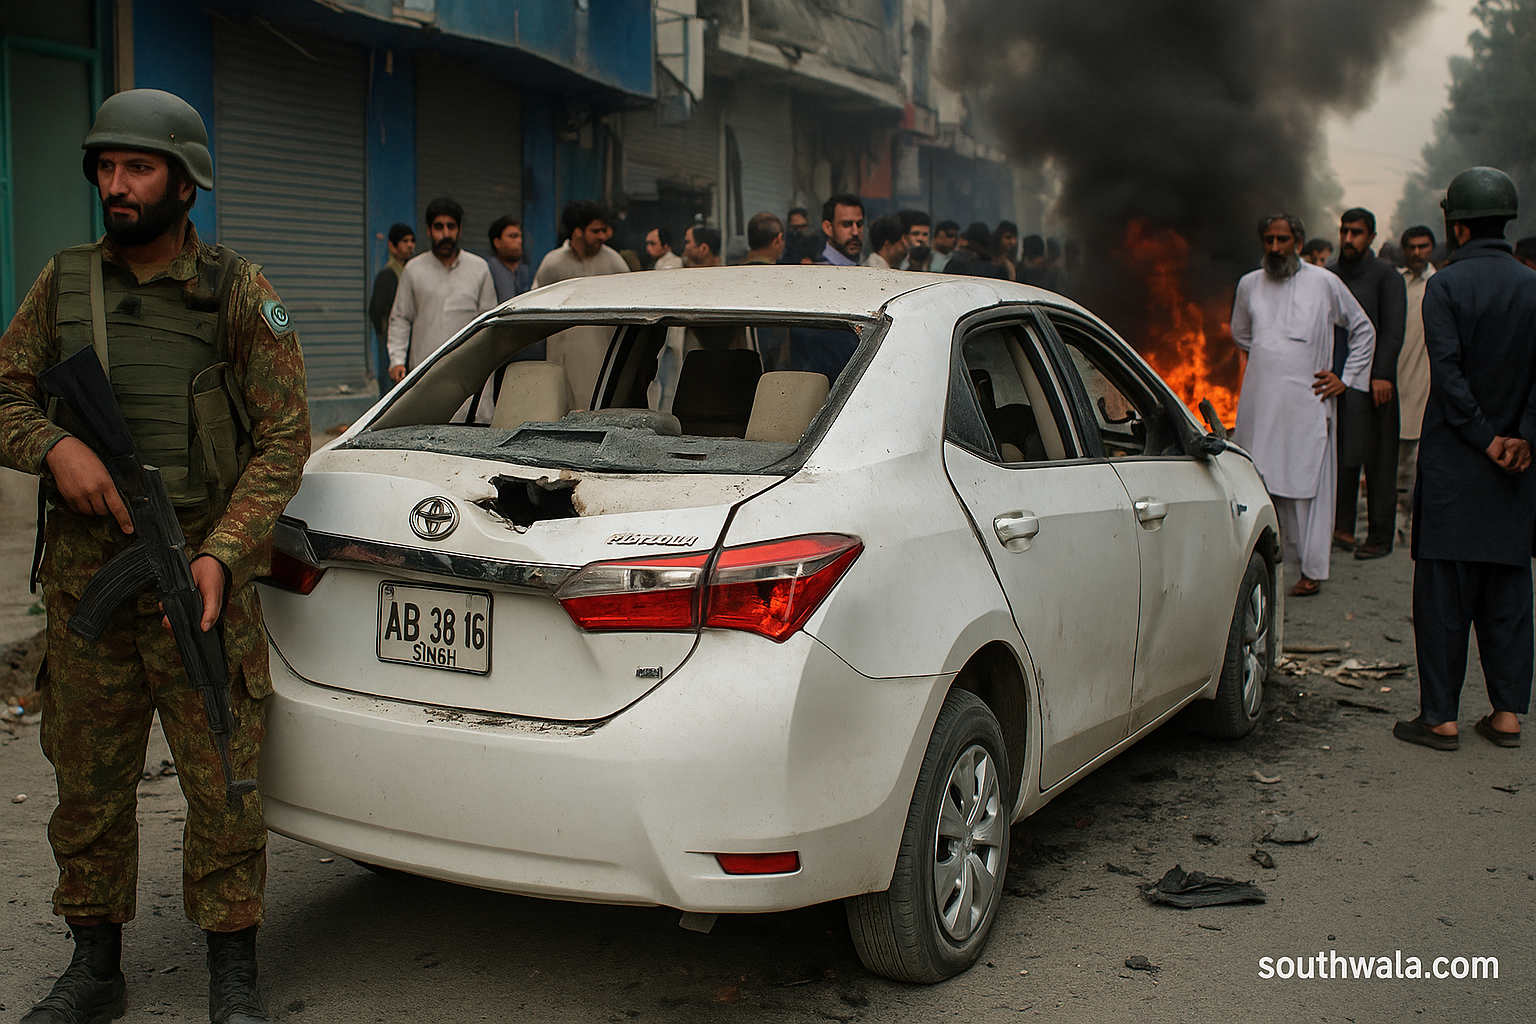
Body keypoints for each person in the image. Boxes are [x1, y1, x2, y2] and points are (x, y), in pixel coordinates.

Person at [0, 88, 310, 1024]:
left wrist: (222, 551)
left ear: (185, 181)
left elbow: (285, 440)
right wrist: (56, 447)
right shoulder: (63, 283)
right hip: (85, 579)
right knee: (85, 782)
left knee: (222, 776)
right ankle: (95, 964)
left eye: (139, 169)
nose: (118, 185)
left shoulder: (239, 294)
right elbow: (7, 394)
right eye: (106, 167)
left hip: (199, 577)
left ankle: (233, 974)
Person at [1394, 167, 1536, 752]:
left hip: (1457, 465)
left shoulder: (1445, 287)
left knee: (1444, 595)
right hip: (1516, 472)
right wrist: (1519, 437)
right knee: (1508, 591)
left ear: (1457, 223)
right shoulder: (1533, 286)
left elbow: (1448, 377)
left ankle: (1442, 718)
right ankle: (1507, 716)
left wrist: (1483, 439)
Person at [1230, 213, 1374, 597]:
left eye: (1282, 239)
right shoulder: (1249, 285)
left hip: (1309, 401)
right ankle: (1263, 563)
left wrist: (1345, 378)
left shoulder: (1324, 283)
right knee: (1259, 478)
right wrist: (1272, 362)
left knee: (1305, 482)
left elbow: (1363, 329)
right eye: (1268, 240)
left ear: (1297, 240)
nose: (1275, 248)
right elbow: (1242, 334)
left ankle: (1311, 569)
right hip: (1260, 402)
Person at [1328, 207, 1407, 559]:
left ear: (1371, 237)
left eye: (1356, 232)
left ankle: (1378, 536)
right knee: (1341, 458)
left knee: (1379, 462)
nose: (1348, 239)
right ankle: (1341, 528)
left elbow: (1392, 330)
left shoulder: (1386, 276)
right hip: (1338, 384)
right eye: (1344, 231)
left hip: (1376, 386)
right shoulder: (1328, 275)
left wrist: (1382, 374)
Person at [531, 200, 631, 409]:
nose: (603, 236)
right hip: (560, 356)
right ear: (577, 231)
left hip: (602, 357)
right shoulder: (552, 264)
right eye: (596, 231)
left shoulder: (614, 263)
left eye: (604, 230)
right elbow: (539, 310)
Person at [387, 197, 496, 384]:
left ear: (459, 230)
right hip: (425, 372)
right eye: (439, 227)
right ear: (429, 231)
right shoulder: (414, 269)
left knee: (474, 414)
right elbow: (401, 318)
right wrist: (397, 360)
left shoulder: (479, 268)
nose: (446, 234)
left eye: (451, 227)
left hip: (470, 375)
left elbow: (490, 323)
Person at [1395, 225, 1437, 544]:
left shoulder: (1440, 284)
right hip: (1395, 381)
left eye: (1423, 246)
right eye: (1412, 247)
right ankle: (1396, 522)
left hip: (1427, 381)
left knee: (1420, 462)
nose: (1417, 252)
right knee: (1396, 463)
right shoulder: (1395, 283)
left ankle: (1414, 524)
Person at [368, 222, 414, 395]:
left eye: (412, 240)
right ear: (392, 246)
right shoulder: (387, 275)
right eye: (405, 241)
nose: (410, 245)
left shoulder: (412, 271)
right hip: (390, 341)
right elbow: (376, 312)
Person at [486, 215, 533, 303]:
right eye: (513, 236)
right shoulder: (488, 270)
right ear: (497, 242)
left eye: (520, 236)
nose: (519, 241)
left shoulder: (524, 271)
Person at [818, 193, 864, 265]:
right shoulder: (816, 269)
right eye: (846, 225)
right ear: (828, 228)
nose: (855, 232)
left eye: (859, 225)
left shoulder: (861, 266)